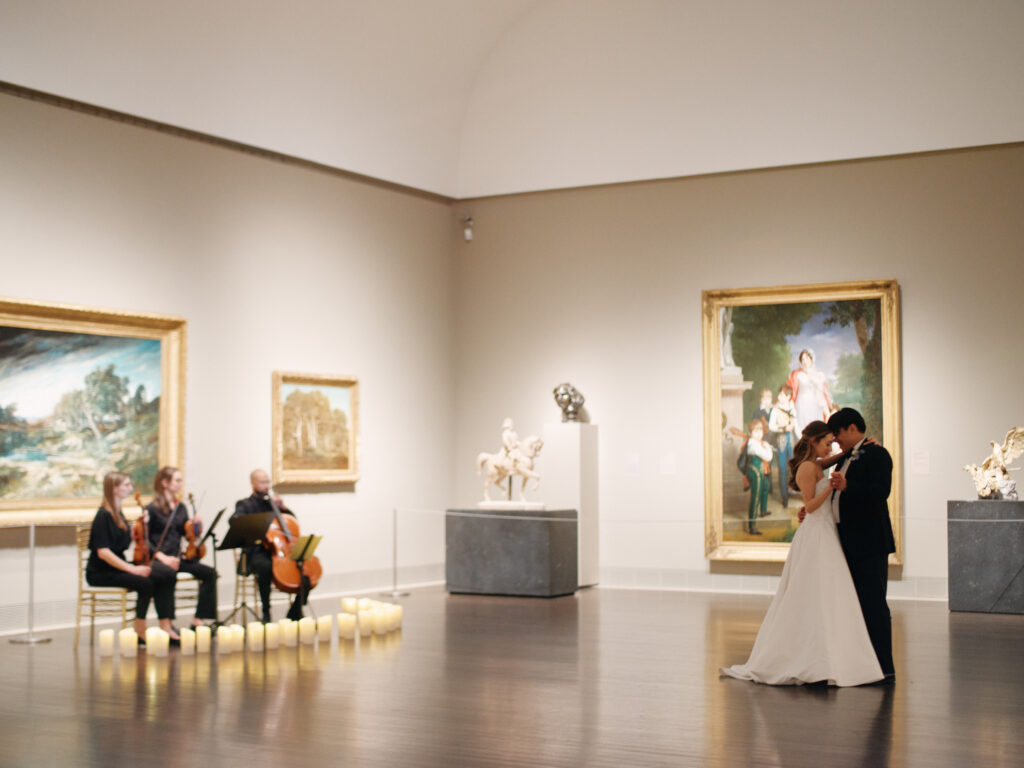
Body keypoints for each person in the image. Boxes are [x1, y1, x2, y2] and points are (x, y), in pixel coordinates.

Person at [721, 421, 884, 686]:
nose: (830, 446)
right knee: (814, 593)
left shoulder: (815, 464)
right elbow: (809, 505)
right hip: (817, 535)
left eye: (832, 441)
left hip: (824, 532)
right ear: (813, 442)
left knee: (826, 595)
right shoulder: (809, 467)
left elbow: (841, 456)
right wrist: (831, 487)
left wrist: (863, 444)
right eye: (827, 441)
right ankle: (813, 658)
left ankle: (825, 657)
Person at [826, 407, 896, 682]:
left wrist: (848, 488)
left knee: (874, 604)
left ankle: (884, 667)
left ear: (852, 428)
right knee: (855, 606)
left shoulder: (877, 453)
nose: (836, 440)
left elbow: (881, 492)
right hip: (849, 543)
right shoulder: (845, 457)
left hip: (869, 544)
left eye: (838, 434)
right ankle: (863, 665)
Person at [86, 471, 175, 645]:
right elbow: (103, 552)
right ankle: (140, 629)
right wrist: (133, 569)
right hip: (101, 572)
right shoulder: (103, 515)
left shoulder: (119, 514)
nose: (130, 488)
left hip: (117, 567)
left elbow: (124, 541)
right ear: (114, 488)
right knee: (145, 583)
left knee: (165, 574)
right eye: (126, 485)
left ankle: (166, 625)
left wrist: (140, 526)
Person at [145, 467, 219, 633]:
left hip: (178, 558)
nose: (180, 484)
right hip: (160, 560)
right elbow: (145, 540)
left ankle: (198, 620)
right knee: (167, 574)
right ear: (165, 483)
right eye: (177, 480)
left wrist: (197, 525)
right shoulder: (152, 509)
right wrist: (163, 558)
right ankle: (166, 624)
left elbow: (189, 536)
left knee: (210, 573)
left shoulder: (181, 508)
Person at [231, 469, 306, 622]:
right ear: (253, 484)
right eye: (262, 482)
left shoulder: (273, 505)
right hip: (255, 553)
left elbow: (292, 522)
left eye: (268, 482)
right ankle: (266, 611)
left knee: (303, 568)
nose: (266, 486)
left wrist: (282, 507)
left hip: (278, 552)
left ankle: (295, 611)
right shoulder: (245, 504)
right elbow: (234, 521)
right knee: (265, 567)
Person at [787, 349, 833, 437]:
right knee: (803, 429)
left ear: (812, 359)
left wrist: (826, 410)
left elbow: (821, 393)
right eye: (803, 359)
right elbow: (792, 390)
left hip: (815, 405)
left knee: (816, 430)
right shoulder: (797, 375)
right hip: (802, 404)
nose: (805, 361)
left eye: (807, 358)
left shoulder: (819, 375)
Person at [738, 418, 773, 534]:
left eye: (760, 431)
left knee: (766, 486)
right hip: (754, 472)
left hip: (760, 471)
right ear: (751, 433)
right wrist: (767, 447)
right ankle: (752, 527)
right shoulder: (753, 444)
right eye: (755, 431)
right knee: (755, 497)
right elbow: (768, 457)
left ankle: (763, 511)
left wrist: (765, 445)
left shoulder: (758, 443)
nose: (759, 434)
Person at [768, 385, 797, 507]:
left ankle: (792, 490)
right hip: (781, 441)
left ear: (789, 397)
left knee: (794, 467)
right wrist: (783, 428)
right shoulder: (775, 410)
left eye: (782, 395)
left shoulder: (792, 407)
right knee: (782, 469)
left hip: (791, 440)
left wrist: (802, 437)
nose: (779, 397)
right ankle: (784, 497)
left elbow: (796, 424)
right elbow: (771, 427)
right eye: (779, 394)